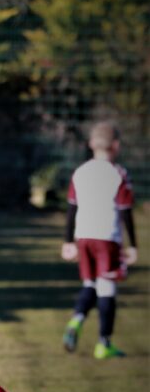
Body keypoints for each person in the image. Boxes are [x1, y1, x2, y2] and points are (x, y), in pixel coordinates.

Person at [61, 121, 137, 359]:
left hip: (83, 237)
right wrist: (133, 245)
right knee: (107, 289)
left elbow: (71, 209)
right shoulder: (118, 173)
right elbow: (125, 211)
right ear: (116, 146)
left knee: (89, 285)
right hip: (107, 238)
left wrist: (68, 241)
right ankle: (104, 343)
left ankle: (76, 320)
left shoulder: (80, 172)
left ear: (91, 144)